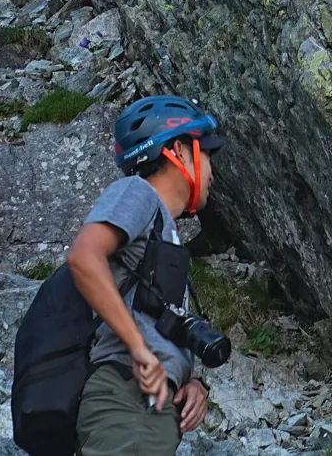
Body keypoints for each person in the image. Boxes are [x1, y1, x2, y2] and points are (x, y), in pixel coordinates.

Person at [65, 95, 223, 456]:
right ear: (179, 151)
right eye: (207, 153)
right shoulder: (137, 193)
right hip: (125, 399)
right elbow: (84, 257)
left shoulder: (163, 232)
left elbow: (148, 319)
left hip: (142, 410)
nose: (212, 168)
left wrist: (190, 379)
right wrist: (138, 348)